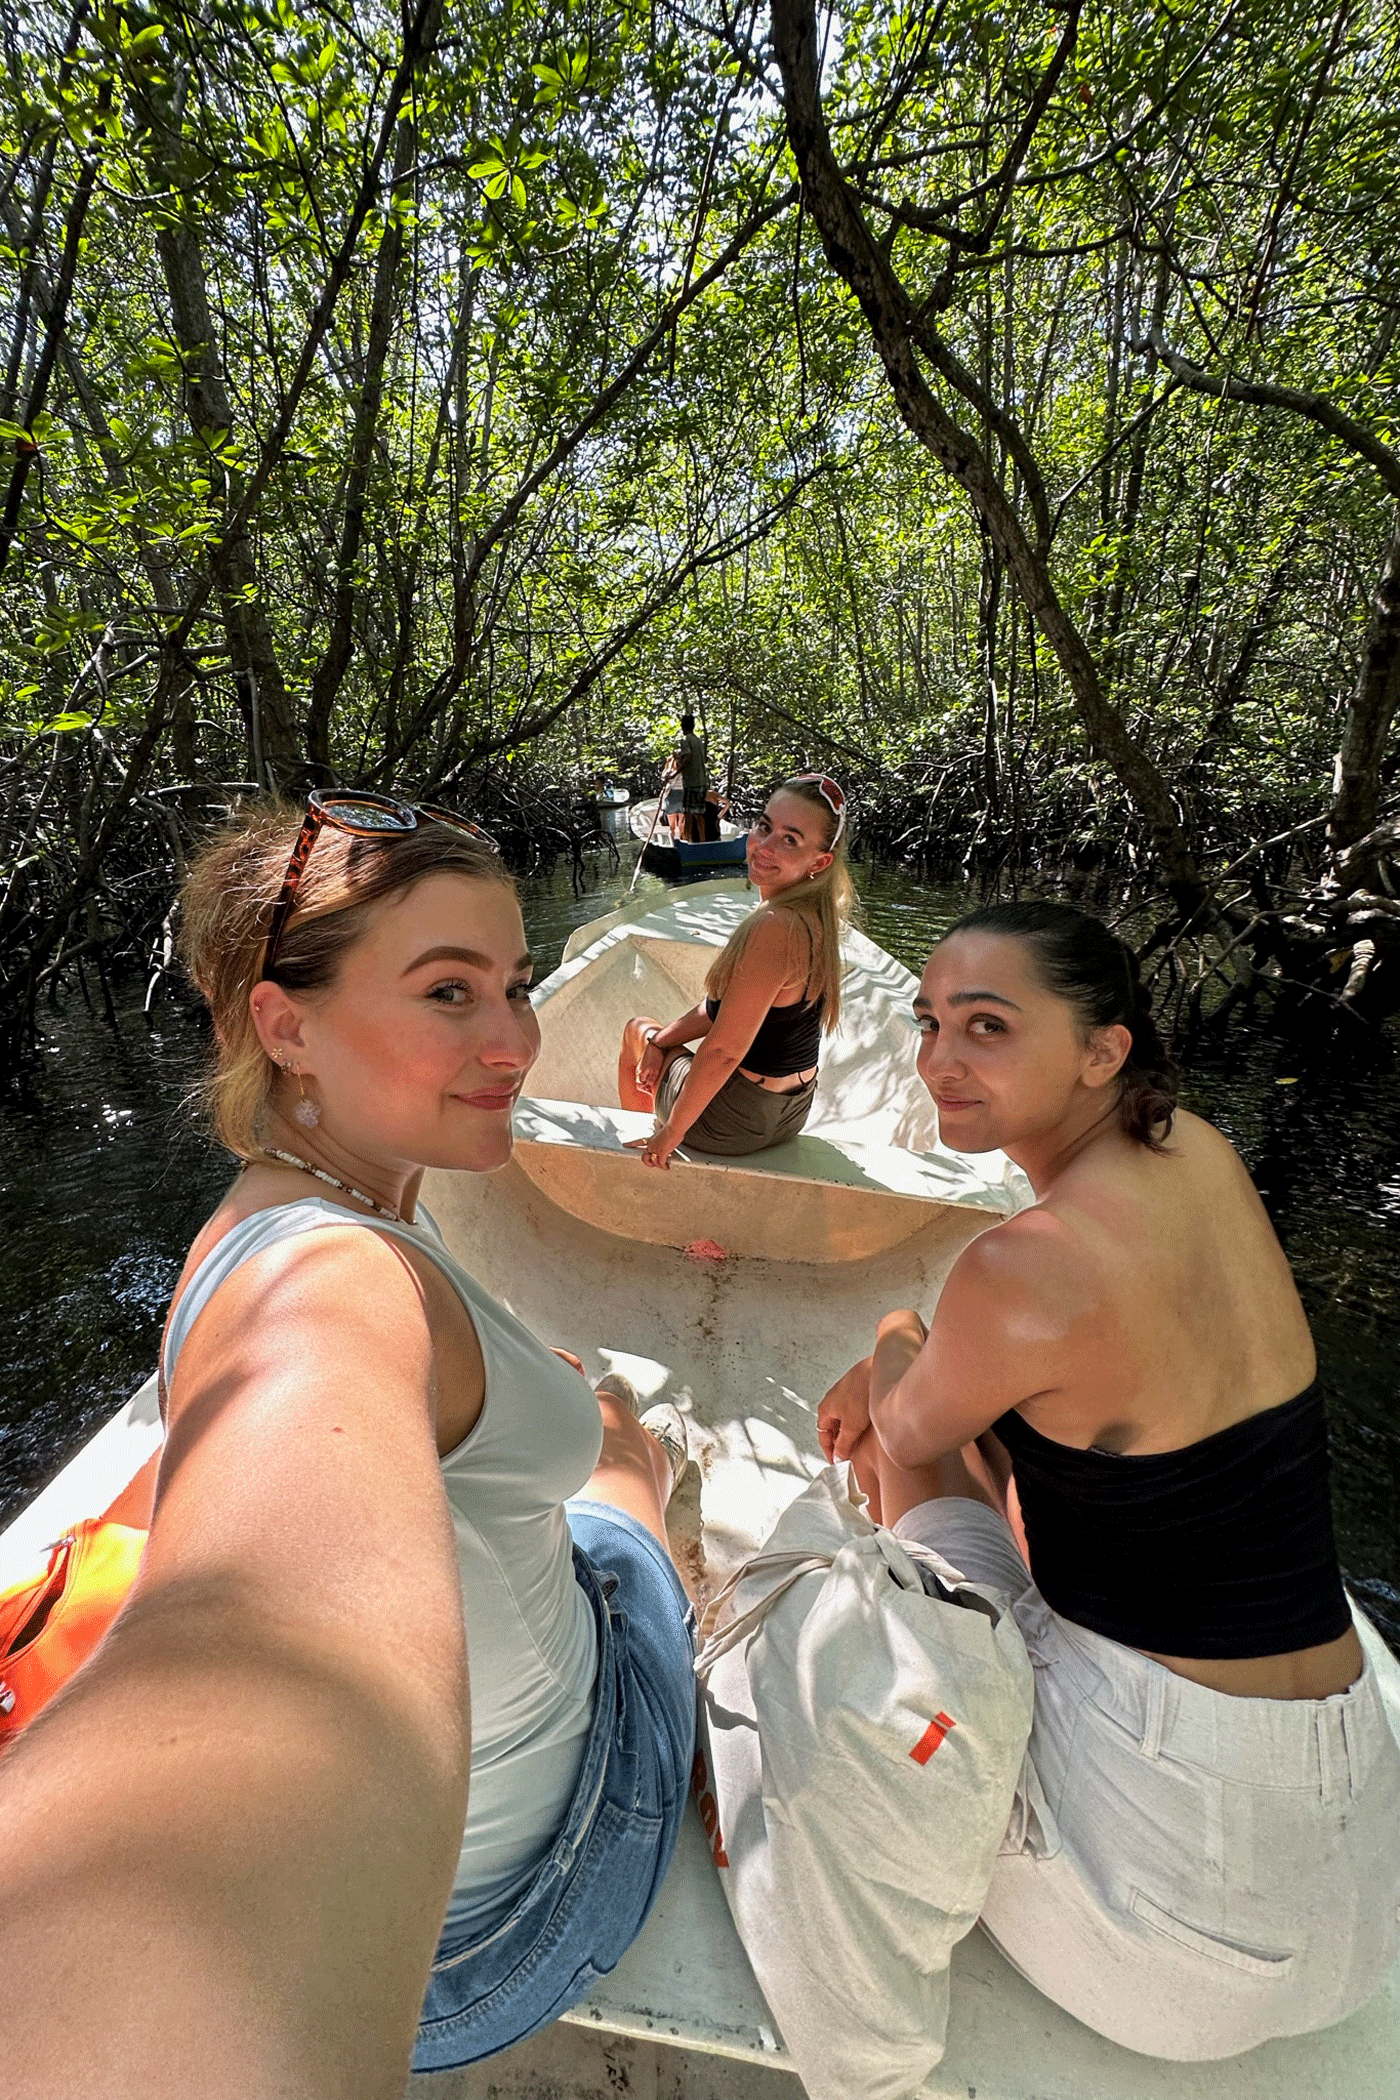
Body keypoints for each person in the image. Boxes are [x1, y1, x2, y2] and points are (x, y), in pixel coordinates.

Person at [0, 792, 698, 2093]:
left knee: (562, 1415)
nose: (515, 1040)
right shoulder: (330, 1288)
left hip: (466, 1863)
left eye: (517, 985)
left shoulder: (263, 1218)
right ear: (288, 1025)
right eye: (448, 993)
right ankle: (647, 1502)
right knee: (624, 1467)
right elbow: (267, 1659)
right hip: (521, 1913)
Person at [818, 900, 1400, 2062]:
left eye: (985, 1027)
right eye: (928, 1023)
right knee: (1040, 1440)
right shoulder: (1199, 1152)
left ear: (1104, 1049)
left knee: (902, 1447)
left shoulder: (1021, 1268)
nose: (936, 1062)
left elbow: (900, 1421)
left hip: (1170, 1929)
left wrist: (889, 1328)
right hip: (1359, 1894)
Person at [619, 774, 853, 1166]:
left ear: (820, 861)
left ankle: (640, 1156)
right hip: (790, 1111)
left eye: (789, 840)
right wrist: (662, 1043)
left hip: (733, 1122)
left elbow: (726, 1050)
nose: (764, 846)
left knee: (634, 1032)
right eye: (765, 827)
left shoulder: (776, 925)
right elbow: (717, 1011)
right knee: (653, 1037)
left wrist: (671, 1133)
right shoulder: (816, 916)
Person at [669, 711, 708, 842]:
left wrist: (675, 772)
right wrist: (680, 758)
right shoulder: (698, 740)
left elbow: (688, 759)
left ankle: (687, 840)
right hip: (702, 781)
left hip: (691, 782)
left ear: (683, 726)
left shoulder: (685, 740)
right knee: (699, 813)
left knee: (688, 813)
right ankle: (702, 841)